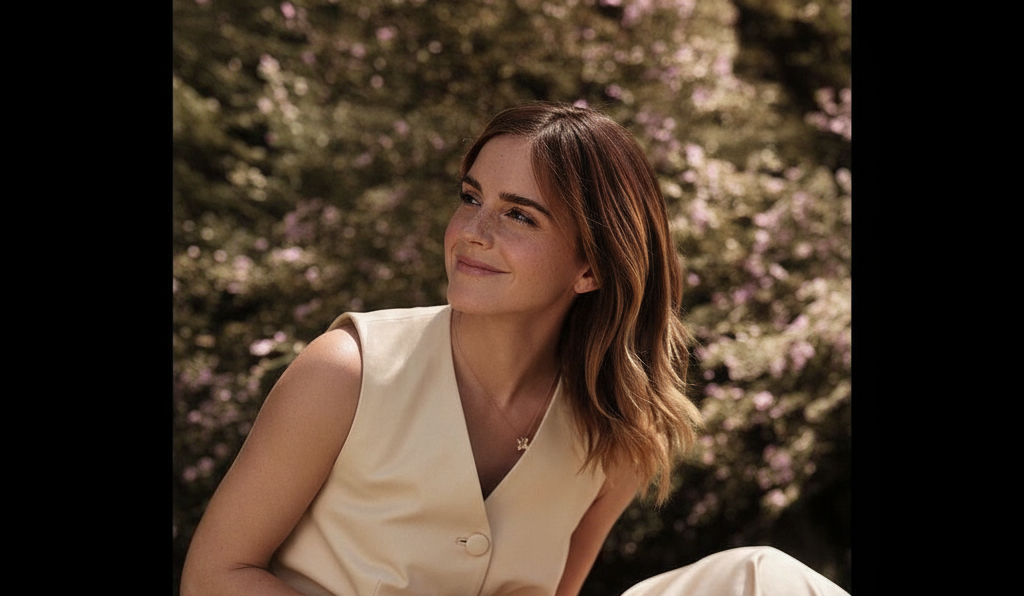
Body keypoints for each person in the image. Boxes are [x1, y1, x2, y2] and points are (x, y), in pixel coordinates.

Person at [180, 102, 849, 596]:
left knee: (764, 578)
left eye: (518, 214)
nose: (474, 231)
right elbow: (214, 575)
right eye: (471, 198)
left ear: (589, 268)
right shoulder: (346, 372)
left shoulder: (617, 426)